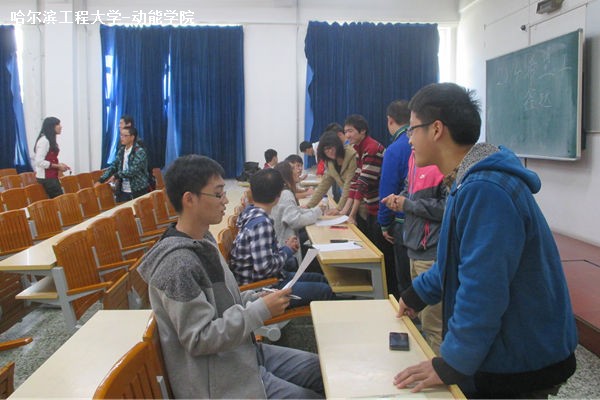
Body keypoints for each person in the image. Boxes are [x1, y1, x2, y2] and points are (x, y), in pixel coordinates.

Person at [393, 82, 577, 398]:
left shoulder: (485, 189)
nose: (408, 139)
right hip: (510, 348)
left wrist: (452, 363)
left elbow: (483, 288)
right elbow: (457, 262)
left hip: (521, 359)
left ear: (436, 129)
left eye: (412, 129)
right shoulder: (467, 181)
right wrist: (417, 294)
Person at [136, 154, 324, 399]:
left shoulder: (203, 240)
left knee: (323, 369)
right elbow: (200, 338)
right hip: (221, 380)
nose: (225, 200)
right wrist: (260, 310)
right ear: (189, 199)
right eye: (218, 194)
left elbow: (224, 302)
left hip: (242, 352)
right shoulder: (177, 265)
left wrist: (257, 298)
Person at [229, 168, 334, 308]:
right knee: (324, 290)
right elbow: (264, 268)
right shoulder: (261, 224)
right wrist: (288, 250)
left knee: (320, 279)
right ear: (278, 196)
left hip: (268, 279)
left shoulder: (251, 213)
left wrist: (284, 248)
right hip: (262, 289)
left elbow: (262, 257)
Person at [381, 151, 446, 354]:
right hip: (414, 250)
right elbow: (409, 193)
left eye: (413, 134)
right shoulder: (414, 158)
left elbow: (448, 207)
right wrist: (398, 200)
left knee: (434, 326)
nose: (409, 140)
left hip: (432, 254)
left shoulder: (445, 164)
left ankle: (438, 370)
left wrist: (408, 204)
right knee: (423, 320)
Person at [377, 100, 412, 297]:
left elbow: (387, 190)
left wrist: (384, 223)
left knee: (405, 280)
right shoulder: (425, 144)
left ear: (390, 120)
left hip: (402, 221)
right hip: (428, 224)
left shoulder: (395, 149)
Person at [271, 161, 324, 246]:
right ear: (287, 174)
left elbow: (293, 211)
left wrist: (315, 210)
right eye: (293, 169)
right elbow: (296, 221)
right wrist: (317, 212)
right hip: (286, 246)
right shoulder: (286, 194)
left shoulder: (282, 191)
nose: (297, 171)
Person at [304, 131, 356, 212]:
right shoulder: (329, 162)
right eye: (326, 149)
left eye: (332, 147)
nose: (330, 151)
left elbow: (348, 186)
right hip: (348, 205)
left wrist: (338, 208)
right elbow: (324, 185)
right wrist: (308, 206)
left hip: (360, 203)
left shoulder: (351, 155)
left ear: (338, 146)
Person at [96, 125, 149, 202]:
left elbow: (133, 170)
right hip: (123, 189)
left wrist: (116, 175)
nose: (122, 138)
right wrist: (101, 180)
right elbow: (113, 166)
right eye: (121, 135)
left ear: (132, 137)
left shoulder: (139, 151)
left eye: (125, 136)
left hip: (138, 189)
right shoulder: (121, 151)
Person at [33, 116, 71, 198]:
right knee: (60, 201)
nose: (60, 126)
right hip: (46, 179)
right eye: (58, 124)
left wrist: (60, 165)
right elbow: (39, 162)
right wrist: (58, 166)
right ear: (51, 127)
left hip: (51, 177)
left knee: (60, 200)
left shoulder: (49, 140)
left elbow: (50, 159)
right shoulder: (44, 141)